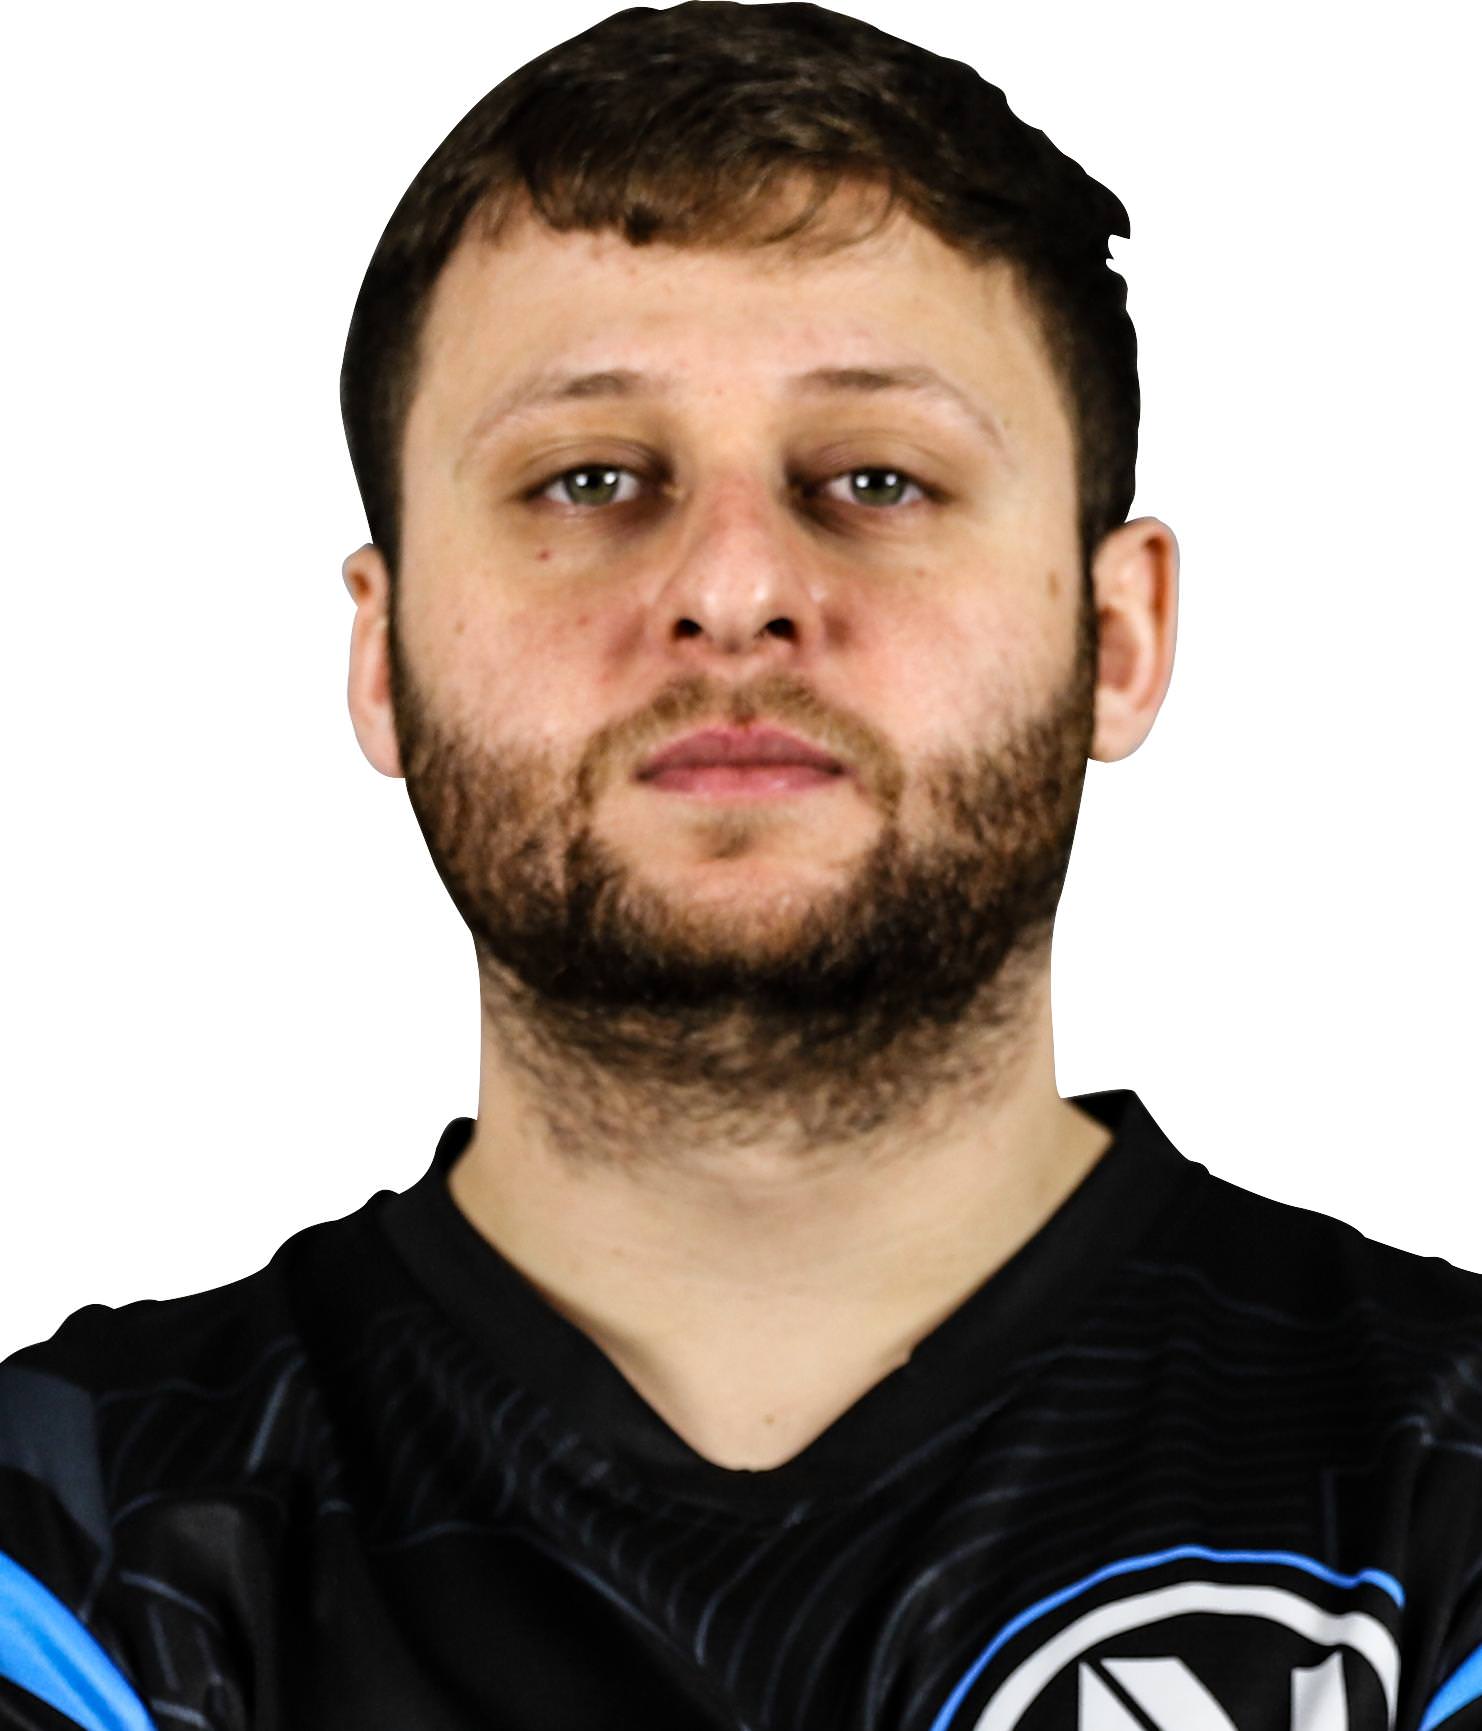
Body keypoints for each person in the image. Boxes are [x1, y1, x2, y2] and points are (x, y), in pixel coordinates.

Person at [1, 2, 1479, 1726]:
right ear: (384, 656)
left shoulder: (1436, 1486)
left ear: (1120, 635)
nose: (731, 589)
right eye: (588, 479)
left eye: (875, 478)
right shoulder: (80, 1537)